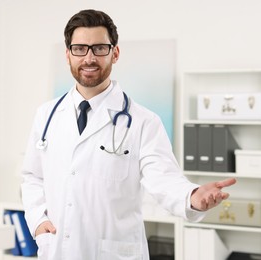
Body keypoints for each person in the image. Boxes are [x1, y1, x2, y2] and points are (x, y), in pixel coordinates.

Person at [21, 9, 236, 260]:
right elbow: (32, 176)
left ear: (115, 53)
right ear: (68, 55)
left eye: (99, 48)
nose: (89, 58)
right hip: (57, 249)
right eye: (80, 48)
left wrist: (191, 197)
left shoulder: (144, 122)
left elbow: (163, 179)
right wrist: (37, 221)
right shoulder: (46, 115)